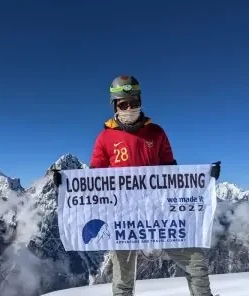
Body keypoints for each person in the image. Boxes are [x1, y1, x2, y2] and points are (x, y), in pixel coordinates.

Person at [89, 75, 220, 296]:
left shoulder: (157, 133)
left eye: (134, 102)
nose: (129, 108)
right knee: (122, 283)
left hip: (161, 214)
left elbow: (173, 173)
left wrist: (205, 178)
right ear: (115, 106)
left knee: (196, 265)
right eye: (123, 104)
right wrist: (65, 184)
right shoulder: (105, 138)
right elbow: (93, 180)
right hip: (123, 217)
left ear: (140, 101)